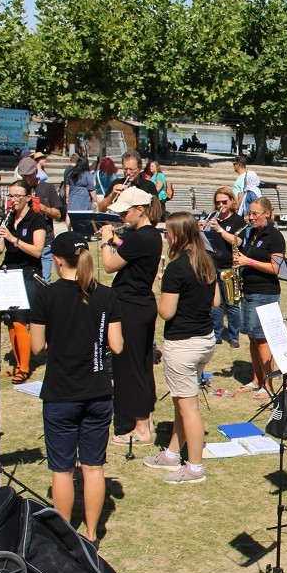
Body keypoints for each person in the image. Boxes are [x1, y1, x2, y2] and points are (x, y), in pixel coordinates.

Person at [30, 232, 122, 543]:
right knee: (94, 468)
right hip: (98, 391)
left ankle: (65, 536)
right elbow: (117, 346)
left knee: (62, 470)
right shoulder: (107, 295)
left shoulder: (46, 296)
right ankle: (93, 534)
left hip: (61, 393)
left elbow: (36, 346)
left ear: (56, 261)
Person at [143, 213, 219, 484]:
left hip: (183, 344)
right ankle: (173, 453)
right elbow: (216, 302)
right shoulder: (207, 263)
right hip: (204, 340)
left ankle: (195, 467)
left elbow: (166, 311)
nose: (165, 237)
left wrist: (162, 289)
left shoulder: (177, 268)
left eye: (168, 233)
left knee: (188, 407)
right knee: (181, 401)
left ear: (177, 235)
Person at [99, 187, 163, 446]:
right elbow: (134, 254)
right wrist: (118, 242)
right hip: (140, 304)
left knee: (131, 368)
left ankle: (141, 429)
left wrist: (105, 242)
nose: (122, 217)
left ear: (140, 210)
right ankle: (145, 421)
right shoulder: (149, 236)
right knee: (142, 365)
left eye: (125, 212)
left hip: (131, 308)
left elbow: (108, 266)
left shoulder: (140, 237)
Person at [0, 181, 47, 383]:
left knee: (20, 319)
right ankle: (17, 364)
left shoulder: (36, 220)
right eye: (11, 196)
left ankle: (25, 367)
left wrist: (14, 239)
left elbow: (37, 250)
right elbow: (0, 250)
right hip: (9, 271)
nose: (13, 200)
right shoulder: (8, 219)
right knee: (10, 320)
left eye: (17, 196)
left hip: (28, 272)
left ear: (27, 197)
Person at [233, 197, 285, 398]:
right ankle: (257, 379)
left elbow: (276, 268)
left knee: (263, 340)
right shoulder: (252, 233)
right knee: (253, 339)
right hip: (250, 291)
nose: (250, 217)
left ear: (267, 214)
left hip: (266, 293)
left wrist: (248, 261)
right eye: (249, 213)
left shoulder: (275, 236)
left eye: (255, 214)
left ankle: (269, 385)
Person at [203, 187, 245, 347]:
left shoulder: (237, 220)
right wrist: (202, 227)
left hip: (229, 266)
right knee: (216, 303)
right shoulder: (213, 219)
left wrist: (219, 230)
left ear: (231, 201)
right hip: (213, 264)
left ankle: (234, 336)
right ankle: (217, 334)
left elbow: (238, 241)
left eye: (224, 202)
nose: (221, 205)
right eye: (218, 202)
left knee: (232, 303)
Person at [16, 156, 64, 282]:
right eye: (23, 177)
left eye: (29, 176)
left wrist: (43, 208)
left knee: (43, 281)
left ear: (36, 173)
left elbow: (58, 214)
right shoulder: (19, 190)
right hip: (24, 242)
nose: (26, 180)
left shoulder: (47, 188)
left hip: (45, 243)